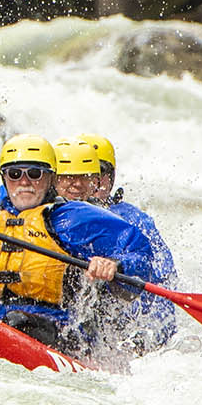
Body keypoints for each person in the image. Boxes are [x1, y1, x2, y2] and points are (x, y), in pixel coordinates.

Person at [0, 133, 158, 356]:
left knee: (18, 322)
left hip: (61, 333)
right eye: (15, 174)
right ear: (5, 179)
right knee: (11, 321)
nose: (25, 182)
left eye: (35, 174)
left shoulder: (75, 217)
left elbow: (139, 251)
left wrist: (115, 265)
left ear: (50, 178)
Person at [55, 136, 177, 351]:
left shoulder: (134, 221)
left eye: (101, 172)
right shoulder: (51, 210)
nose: (96, 180)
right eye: (75, 174)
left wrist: (153, 336)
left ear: (112, 176)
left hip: (115, 313)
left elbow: (159, 278)